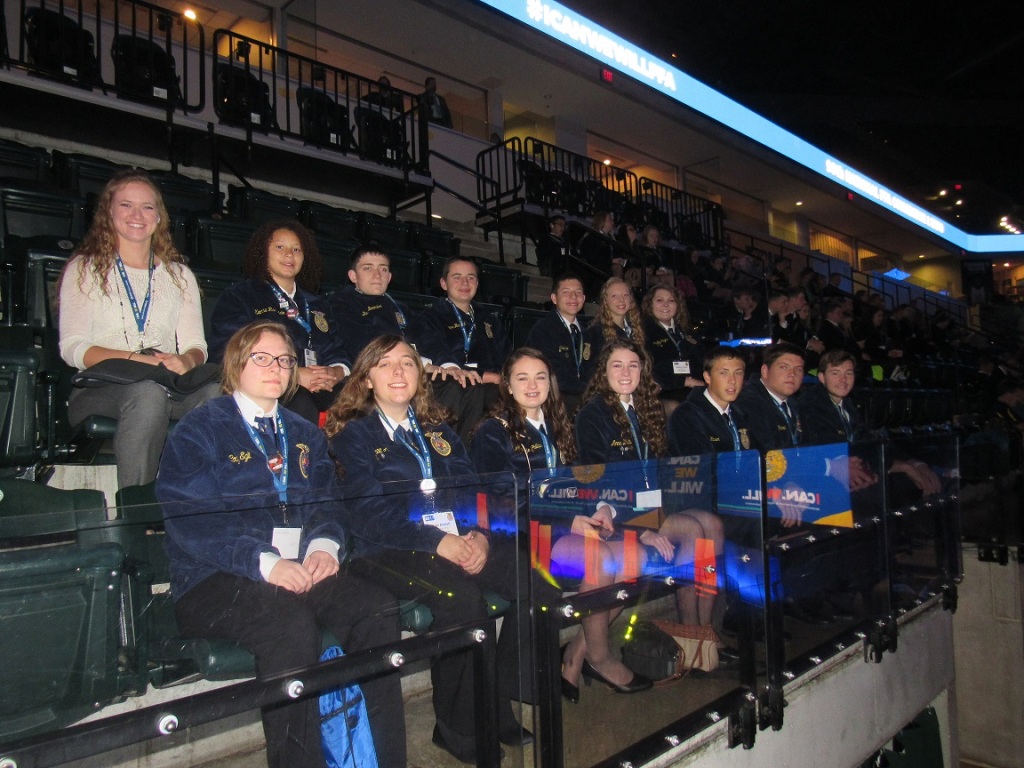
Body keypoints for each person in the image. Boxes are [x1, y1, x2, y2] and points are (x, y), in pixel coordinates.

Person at [156, 320, 405, 768]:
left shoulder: (304, 432)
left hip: (297, 569)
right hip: (214, 578)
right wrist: (266, 563)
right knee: (288, 624)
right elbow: (193, 523)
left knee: (376, 607)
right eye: (262, 358)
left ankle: (385, 761)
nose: (276, 367)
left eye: (285, 360)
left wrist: (324, 546)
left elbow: (327, 504)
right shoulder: (200, 428)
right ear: (236, 365)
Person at [325, 336, 532, 761]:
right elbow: (368, 515)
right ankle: (457, 728)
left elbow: (473, 491)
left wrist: (481, 535)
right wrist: (439, 542)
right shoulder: (353, 435)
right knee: (461, 598)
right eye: (385, 364)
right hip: (383, 549)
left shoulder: (438, 431)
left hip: (453, 540)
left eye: (408, 363)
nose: (399, 371)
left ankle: (498, 700)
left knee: (531, 574)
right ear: (366, 379)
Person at [58, 169, 217, 487]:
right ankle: (135, 503)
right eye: (126, 205)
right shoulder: (85, 268)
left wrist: (186, 360)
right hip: (101, 388)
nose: (137, 215)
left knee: (217, 394)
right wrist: (137, 360)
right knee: (147, 394)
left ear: (158, 217)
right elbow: (73, 348)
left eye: (147, 207)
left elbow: (196, 345)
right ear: (109, 212)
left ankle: (192, 496)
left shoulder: (179, 276)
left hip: (167, 384)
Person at [575, 339, 727, 666]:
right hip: (618, 515)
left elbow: (660, 469)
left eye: (633, 365)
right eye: (617, 365)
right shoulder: (593, 415)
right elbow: (596, 484)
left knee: (711, 524)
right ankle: (694, 640)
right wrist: (639, 527)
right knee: (693, 531)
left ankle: (703, 634)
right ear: (603, 371)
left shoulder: (646, 408)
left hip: (652, 508)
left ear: (643, 370)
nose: (626, 372)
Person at [328, 245, 484, 441]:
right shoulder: (341, 303)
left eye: (383, 269)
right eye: (368, 268)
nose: (377, 274)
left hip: (413, 368)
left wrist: (449, 365)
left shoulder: (399, 307)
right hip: (378, 373)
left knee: (470, 386)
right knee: (451, 387)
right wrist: (421, 364)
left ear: (389, 277)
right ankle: (431, 445)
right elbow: (366, 345)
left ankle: (457, 450)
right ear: (353, 276)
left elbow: (428, 338)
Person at [208, 220, 350, 424]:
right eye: (280, 247)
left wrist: (336, 371)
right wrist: (293, 374)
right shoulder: (240, 296)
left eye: (296, 249)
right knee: (299, 401)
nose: (289, 254)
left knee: (358, 400)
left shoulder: (318, 304)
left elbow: (337, 349)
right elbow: (228, 350)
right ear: (263, 253)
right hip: (269, 382)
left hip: (322, 385)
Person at [411, 256, 511, 432]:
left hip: (494, 383)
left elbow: (507, 355)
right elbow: (437, 352)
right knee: (474, 390)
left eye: (470, 277)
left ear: (477, 283)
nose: (465, 283)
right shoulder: (429, 318)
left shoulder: (489, 320)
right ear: (444, 283)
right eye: (457, 277)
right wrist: (484, 376)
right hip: (458, 383)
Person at [668, 346, 751, 456]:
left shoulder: (743, 413)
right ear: (707, 377)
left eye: (738, 373)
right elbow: (699, 463)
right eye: (723, 373)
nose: (732, 380)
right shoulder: (686, 417)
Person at [525, 274, 589, 413]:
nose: (573, 297)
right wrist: (589, 390)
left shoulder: (588, 333)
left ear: (584, 299)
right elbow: (551, 373)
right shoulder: (543, 329)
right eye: (566, 292)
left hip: (584, 394)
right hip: (555, 396)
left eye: (578, 292)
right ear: (554, 298)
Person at [641, 285, 703, 417]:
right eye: (659, 300)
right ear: (650, 304)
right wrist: (684, 381)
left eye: (671, 300)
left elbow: (700, 362)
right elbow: (647, 372)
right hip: (662, 390)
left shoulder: (686, 331)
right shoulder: (643, 333)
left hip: (692, 389)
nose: (665, 305)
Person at [582, 277, 645, 383]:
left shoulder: (637, 329)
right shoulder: (595, 332)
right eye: (614, 296)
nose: (621, 300)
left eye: (625, 295)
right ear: (605, 300)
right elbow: (591, 372)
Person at [575, 211, 617, 294]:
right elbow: (592, 257)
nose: (612, 222)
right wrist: (611, 261)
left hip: (606, 269)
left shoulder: (611, 239)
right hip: (595, 272)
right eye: (609, 220)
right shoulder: (592, 237)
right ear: (602, 221)